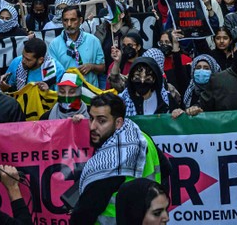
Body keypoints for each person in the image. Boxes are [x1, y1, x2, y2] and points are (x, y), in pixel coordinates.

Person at [71, 94, 167, 225]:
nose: (93, 126)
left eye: (101, 121)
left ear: (118, 123)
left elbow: (83, 215)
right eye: (91, 118)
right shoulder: (142, 138)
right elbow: (166, 168)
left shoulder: (108, 163)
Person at [49, 5, 106, 89]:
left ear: (80, 20)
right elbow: (52, 73)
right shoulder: (54, 45)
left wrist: (92, 66)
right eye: (65, 20)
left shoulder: (93, 41)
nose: (69, 24)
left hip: (89, 93)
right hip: (65, 93)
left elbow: (102, 67)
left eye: (73, 20)